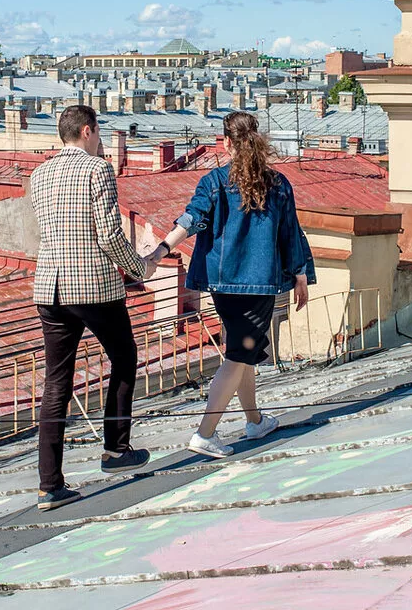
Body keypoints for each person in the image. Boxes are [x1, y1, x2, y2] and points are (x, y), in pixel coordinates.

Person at [146, 110, 315, 458]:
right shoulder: (277, 183)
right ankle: (205, 433)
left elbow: (192, 218)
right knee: (239, 354)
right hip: (259, 285)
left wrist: (162, 248)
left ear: (225, 143)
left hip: (223, 286)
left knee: (243, 351)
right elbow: (290, 233)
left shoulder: (213, 182)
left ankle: (254, 421)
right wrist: (300, 275)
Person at [28, 104, 155, 510]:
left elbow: (50, 228)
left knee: (56, 384)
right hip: (93, 287)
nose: (99, 139)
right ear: (87, 131)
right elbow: (108, 233)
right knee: (124, 357)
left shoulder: (39, 173)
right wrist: (139, 267)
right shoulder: (98, 170)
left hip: (49, 288)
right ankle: (116, 449)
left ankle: (50, 486)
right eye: (98, 132)